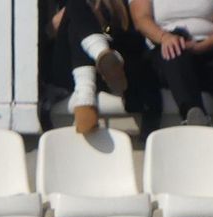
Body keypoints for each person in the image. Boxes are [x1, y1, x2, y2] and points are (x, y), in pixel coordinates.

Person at [131, 0, 213, 152]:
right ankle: (194, 118)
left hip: (210, 46)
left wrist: (203, 46)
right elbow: (141, 19)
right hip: (166, 46)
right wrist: (165, 38)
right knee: (175, 53)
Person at [42, 0, 161, 135]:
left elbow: (134, 42)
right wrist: (59, 21)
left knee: (77, 12)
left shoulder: (118, 5)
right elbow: (41, 39)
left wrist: (103, 27)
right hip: (66, 72)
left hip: (108, 74)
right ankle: (101, 54)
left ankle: (86, 98)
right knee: (75, 6)